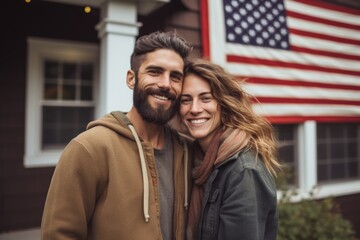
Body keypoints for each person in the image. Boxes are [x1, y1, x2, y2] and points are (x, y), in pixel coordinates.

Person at [41, 31, 193, 240]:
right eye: (155, 72)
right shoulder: (89, 148)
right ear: (132, 79)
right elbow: (59, 235)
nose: (166, 84)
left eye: (175, 76)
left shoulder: (187, 150)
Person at [178, 59, 281, 240]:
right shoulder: (195, 159)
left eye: (205, 98)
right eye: (186, 100)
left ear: (223, 103)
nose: (194, 109)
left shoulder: (243, 171)